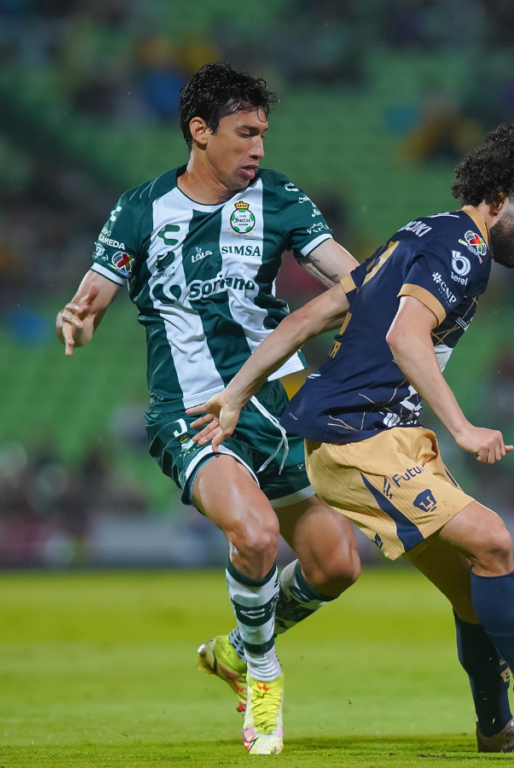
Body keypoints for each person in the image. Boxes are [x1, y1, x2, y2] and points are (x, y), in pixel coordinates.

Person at [189, 125, 514, 754]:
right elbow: (405, 337)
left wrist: (235, 396)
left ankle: (497, 730)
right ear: (499, 198)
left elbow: (309, 316)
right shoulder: (462, 250)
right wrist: (463, 427)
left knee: (475, 587)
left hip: (375, 437)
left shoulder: (418, 234)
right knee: (495, 541)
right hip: (358, 437)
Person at [54, 63, 362, 755]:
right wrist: (78, 318)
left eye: (263, 133)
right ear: (200, 132)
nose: (258, 147)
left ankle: (233, 647)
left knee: (337, 564)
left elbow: (344, 269)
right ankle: (263, 677)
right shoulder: (141, 209)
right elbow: (94, 293)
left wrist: (385, 292)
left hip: (278, 403)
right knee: (254, 536)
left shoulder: (280, 199)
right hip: (192, 410)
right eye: (245, 133)